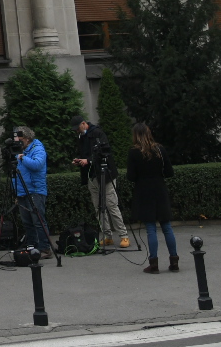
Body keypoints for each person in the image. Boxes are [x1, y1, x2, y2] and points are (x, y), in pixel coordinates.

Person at [71, 115, 130, 249]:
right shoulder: (81, 138)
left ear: (84, 124)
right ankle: (107, 236)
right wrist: (79, 160)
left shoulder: (98, 133)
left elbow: (104, 151)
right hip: (92, 176)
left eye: (78, 128)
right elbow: (84, 154)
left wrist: (89, 160)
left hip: (106, 174)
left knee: (111, 205)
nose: (77, 131)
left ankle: (124, 235)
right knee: (98, 207)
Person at [127, 121, 177, 274]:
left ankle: (154, 263)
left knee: (150, 228)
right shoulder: (159, 149)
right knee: (166, 226)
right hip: (159, 188)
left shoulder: (133, 152)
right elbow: (169, 172)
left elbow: (131, 176)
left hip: (144, 190)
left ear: (135, 135)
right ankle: (174, 260)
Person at [12, 126, 52, 259]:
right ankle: (32, 247)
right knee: (27, 222)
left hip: (35, 190)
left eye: (19, 139)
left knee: (38, 221)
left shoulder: (37, 148)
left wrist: (23, 158)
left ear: (27, 139)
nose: (17, 141)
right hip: (22, 191)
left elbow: (38, 165)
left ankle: (45, 248)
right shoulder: (19, 152)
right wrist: (16, 192)